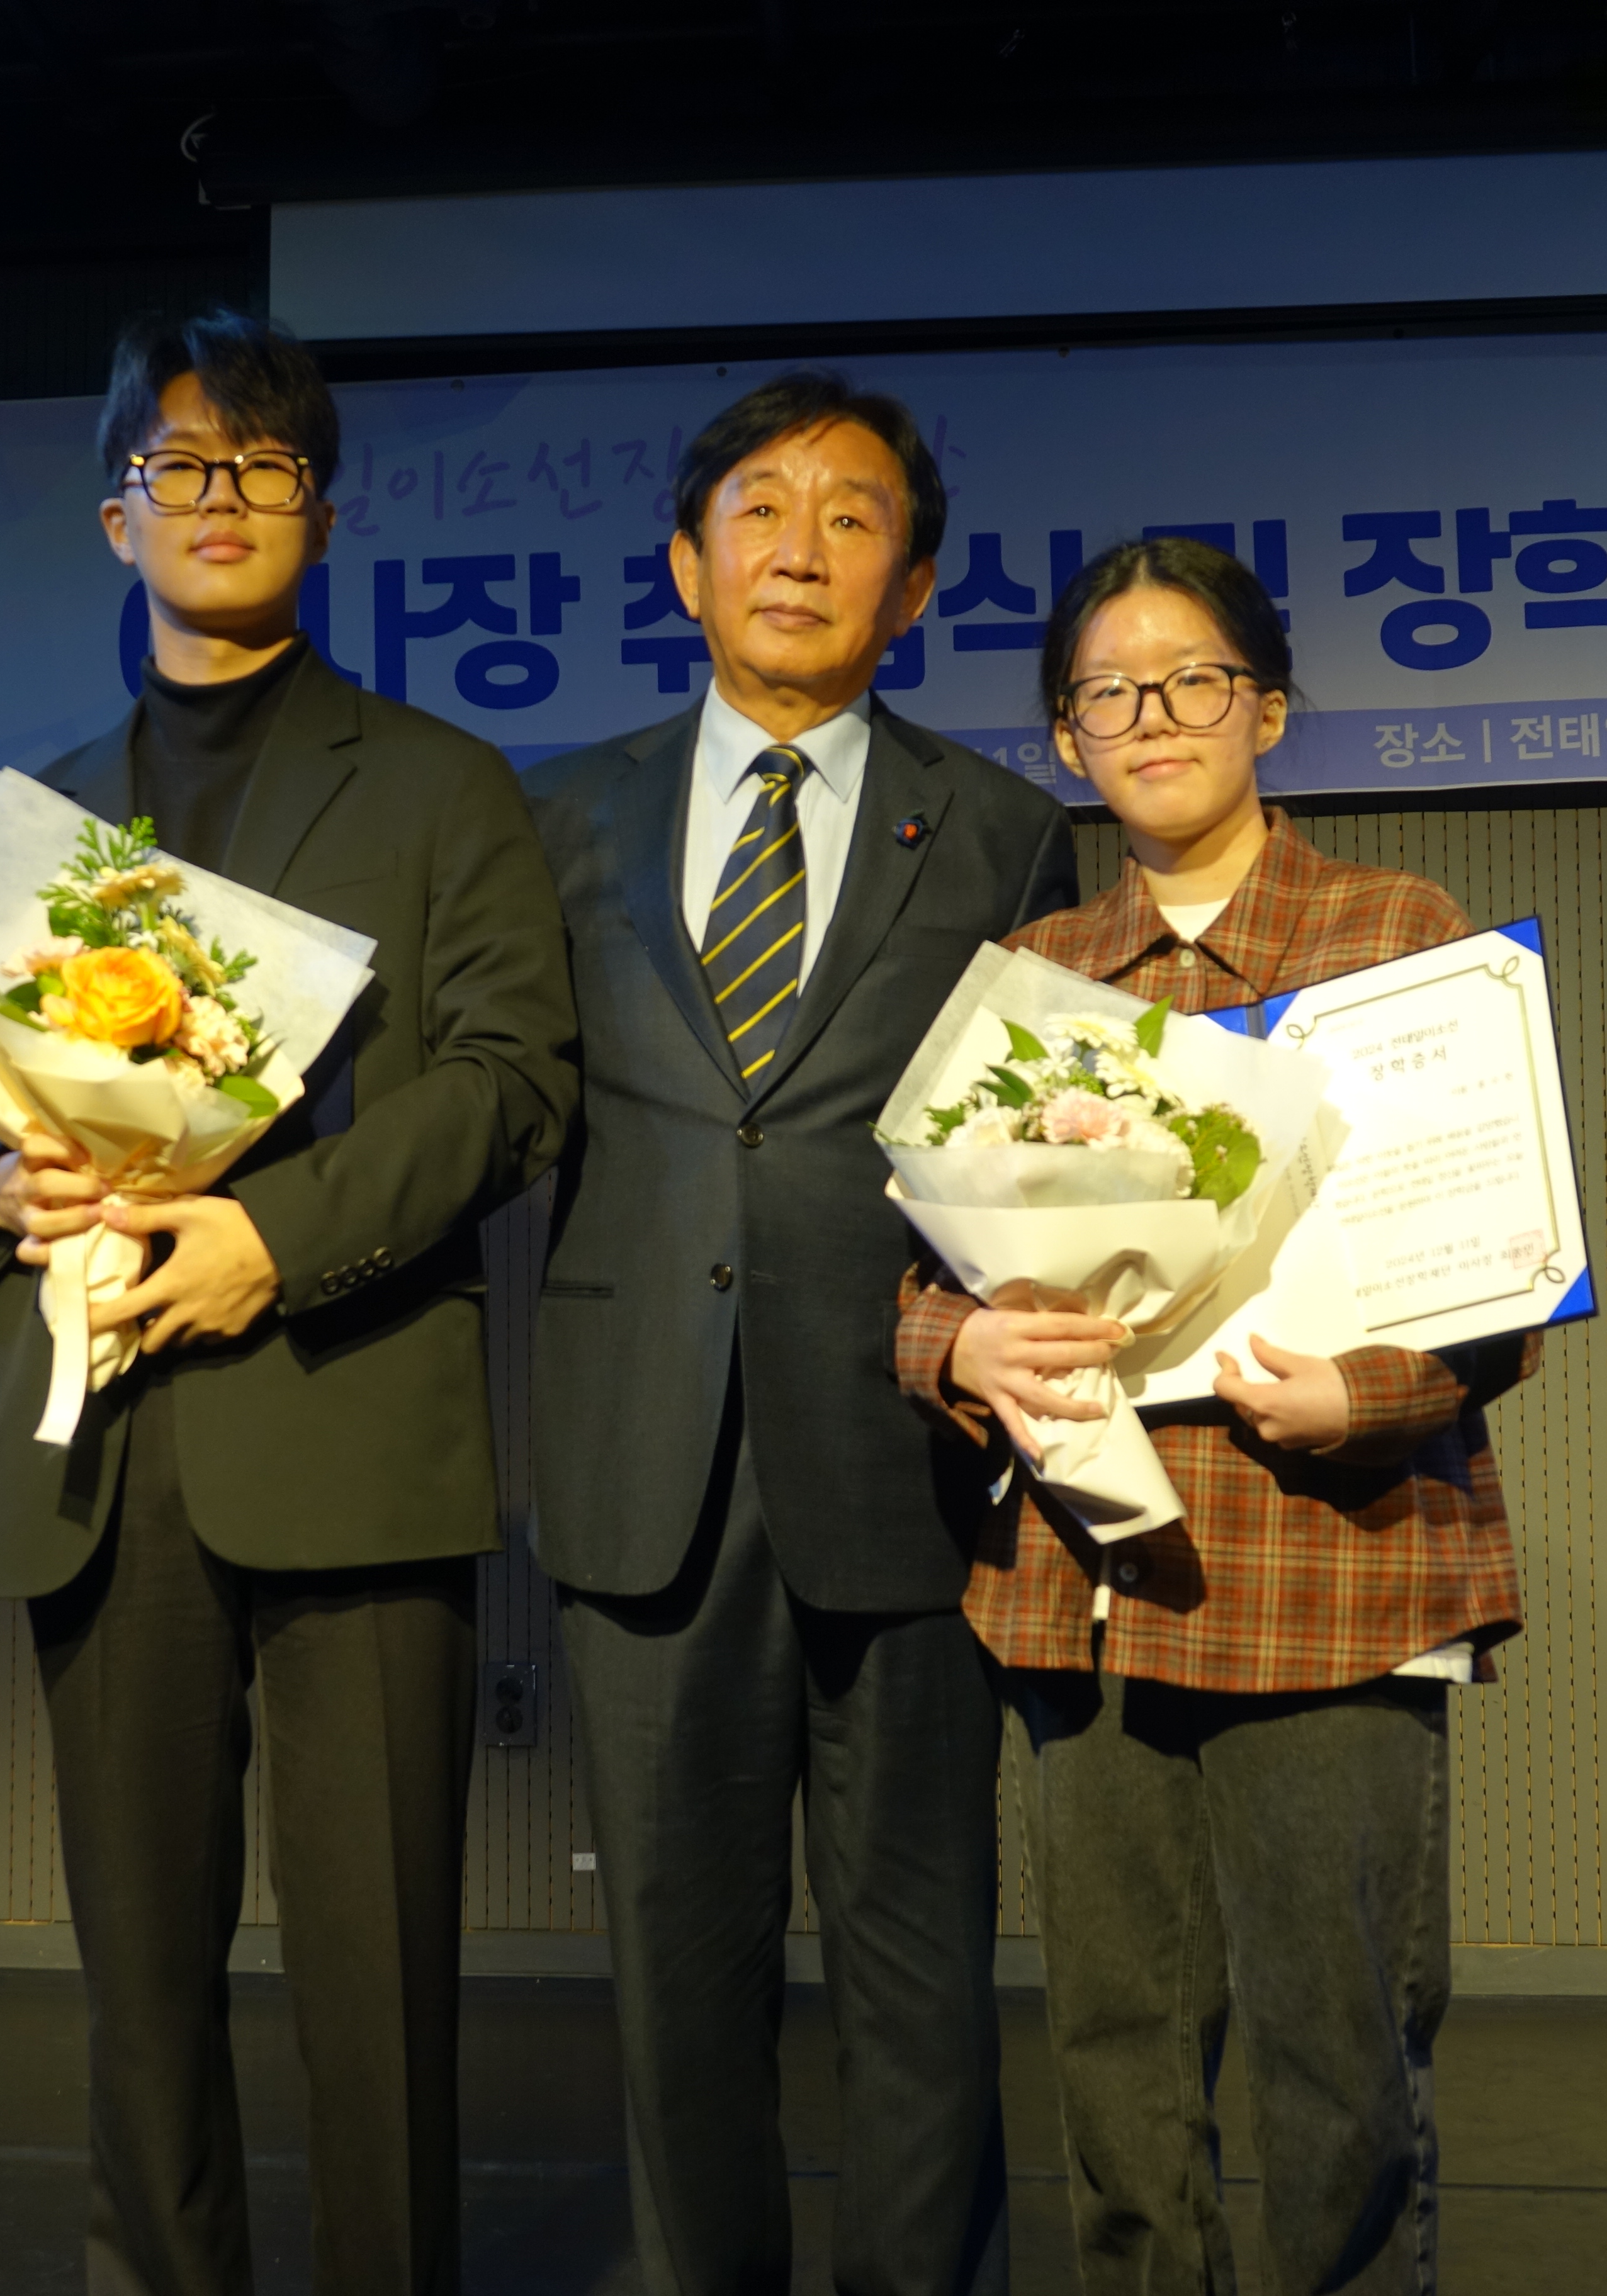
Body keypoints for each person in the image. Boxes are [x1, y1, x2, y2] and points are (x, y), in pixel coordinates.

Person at [0, 309, 577, 2296]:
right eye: (181, 465)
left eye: (264, 467)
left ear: (324, 514)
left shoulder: (445, 788)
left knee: (380, 1983)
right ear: (119, 516)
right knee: (139, 1980)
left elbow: (513, 1085)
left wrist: (273, 1241)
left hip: (347, 1410)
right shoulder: (43, 814)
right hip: (106, 1448)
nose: (223, 498)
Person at [899, 535, 1535, 2296]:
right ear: (1065, 740)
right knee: (1115, 2061)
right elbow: (922, 1279)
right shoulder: (1035, 979)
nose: (1153, 716)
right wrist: (957, 1351)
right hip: (1086, 1582)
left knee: (1341, 2061)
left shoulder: (1397, 937)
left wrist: (1368, 1392)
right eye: (1108, 692)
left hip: (1329, 1571)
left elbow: (1502, 1266)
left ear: (1267, 706)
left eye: (1192, 678)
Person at [522, 371, 1080, 2296]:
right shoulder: (554, 816)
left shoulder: (1003, 832)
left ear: (911, 586)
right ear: (688, 565)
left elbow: (1036, 1154)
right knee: (677, 1982)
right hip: (640, 1458)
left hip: (908, 1455)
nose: (801, 547)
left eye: (853, 516)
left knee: (922, 1975)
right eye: (759, 507)